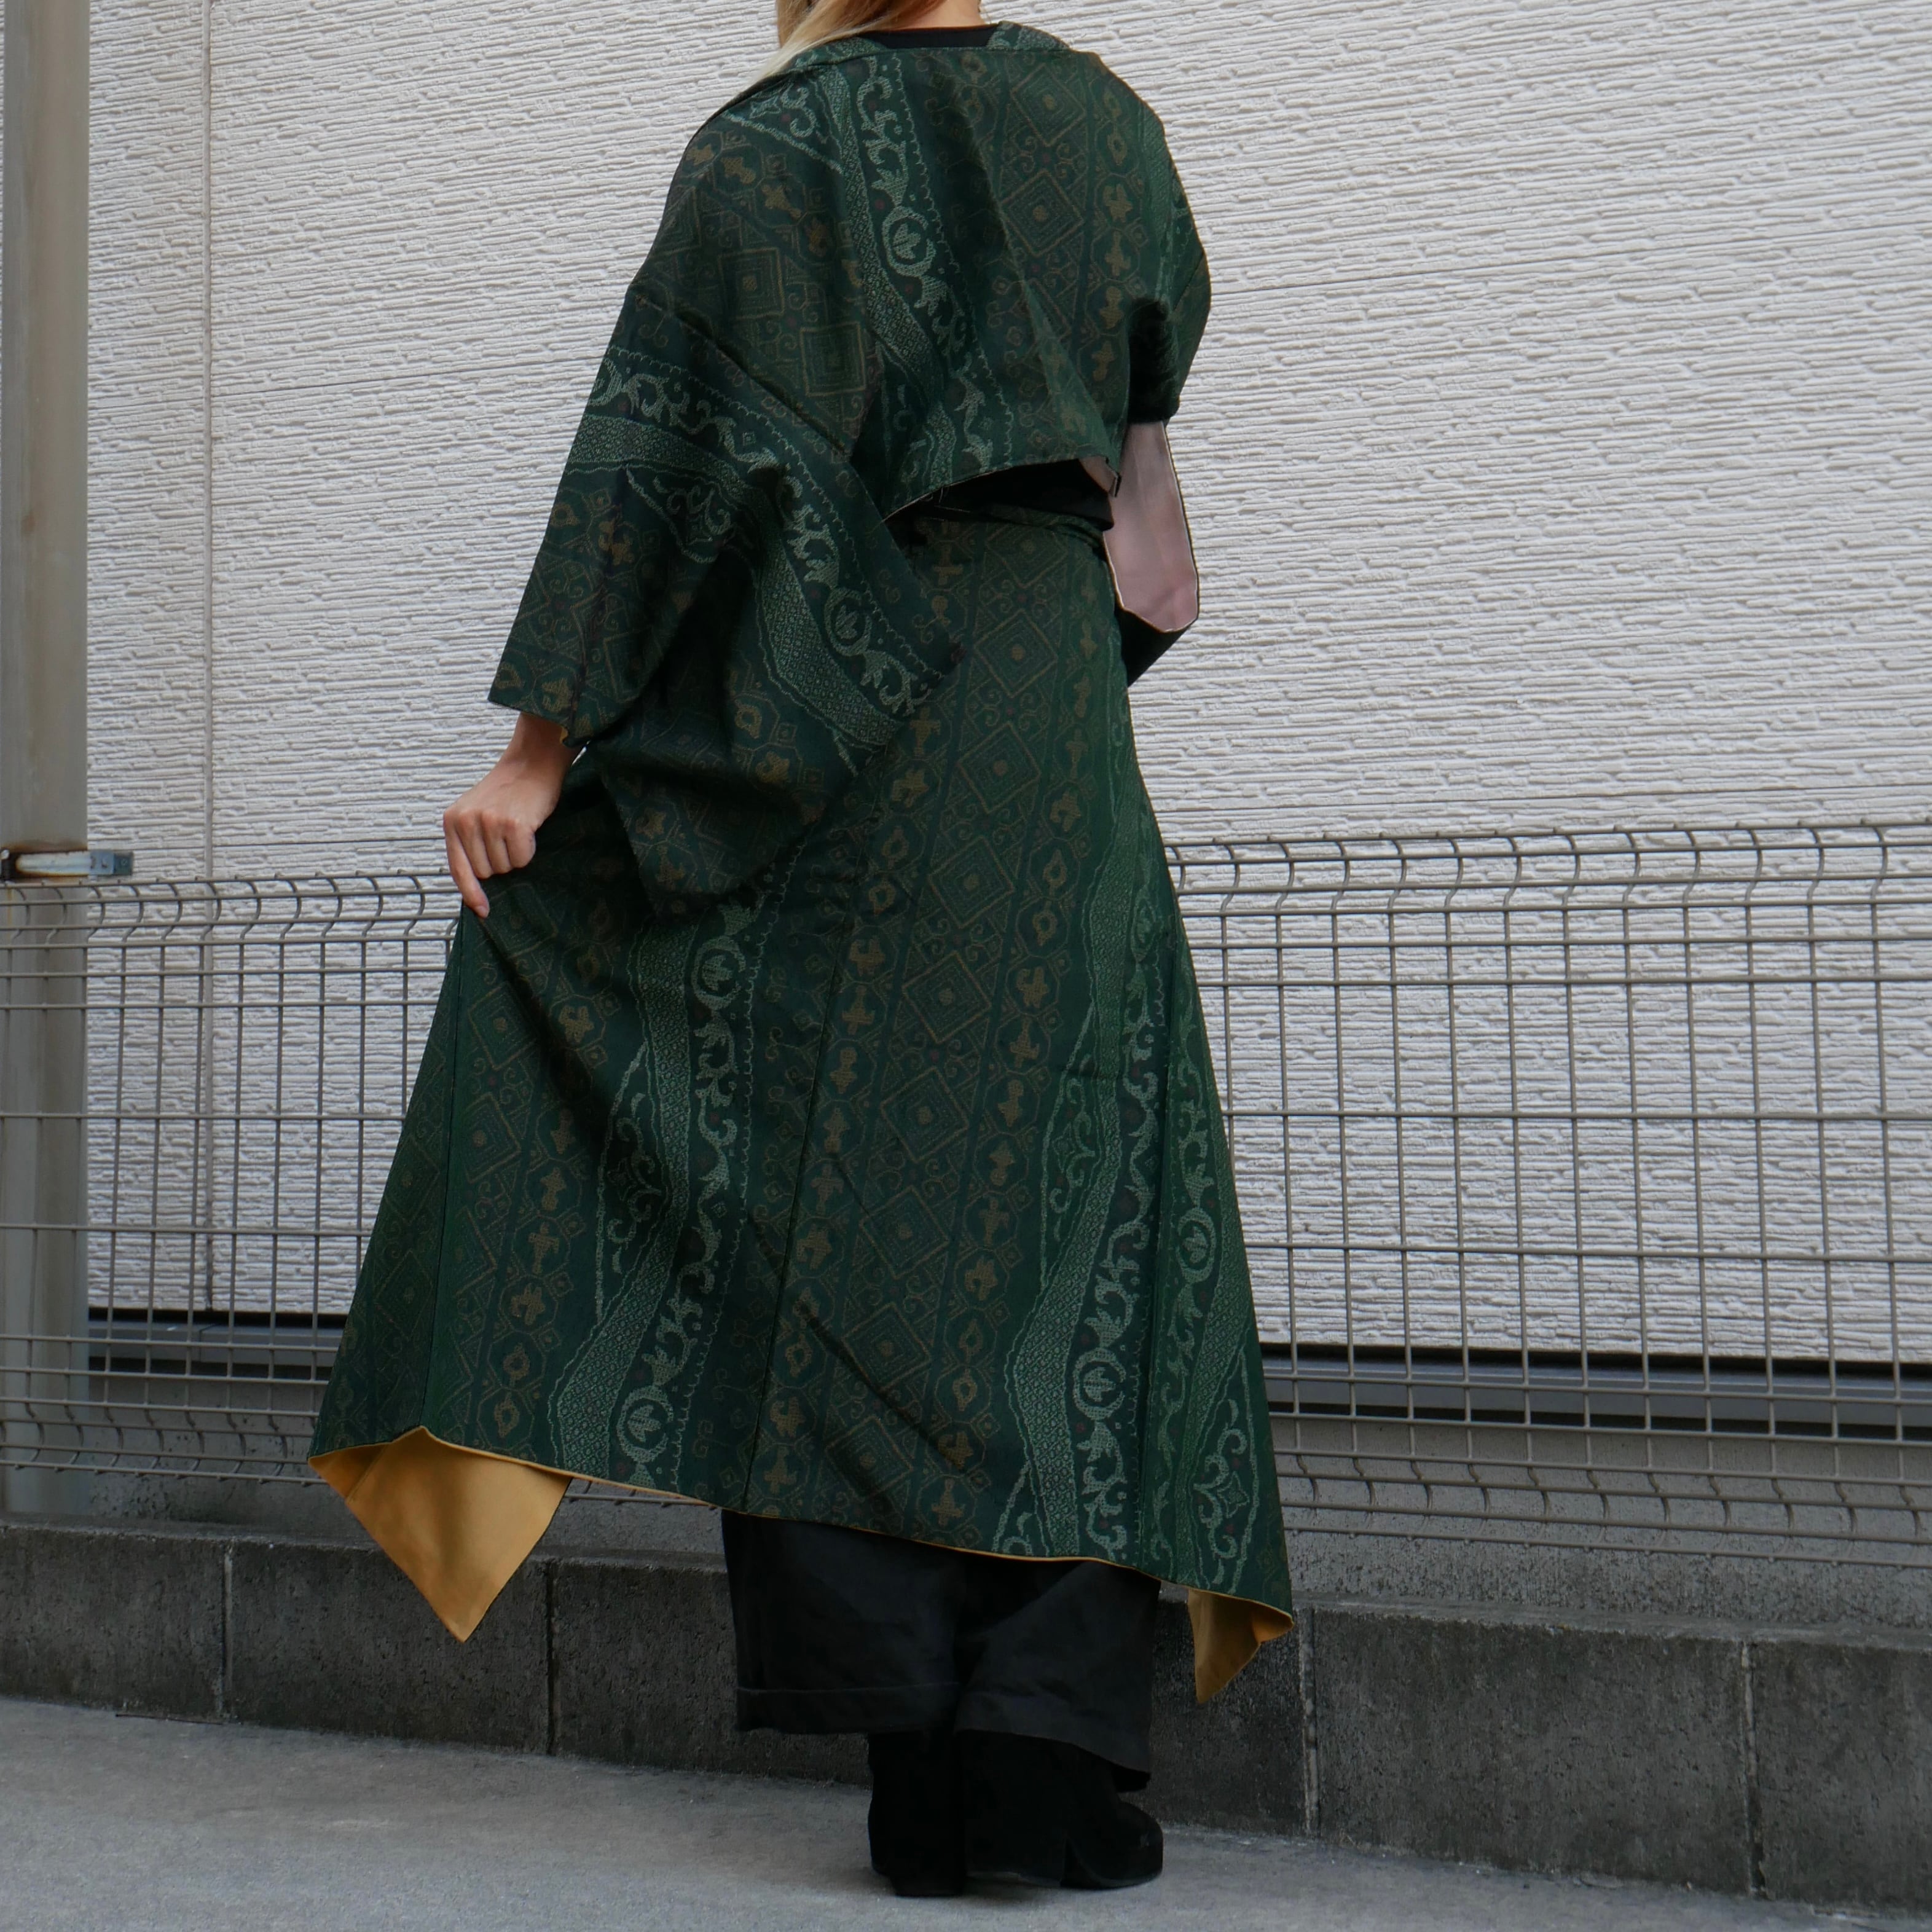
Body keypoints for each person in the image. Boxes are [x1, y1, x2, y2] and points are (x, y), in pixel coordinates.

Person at [310, 0, 1292, 1897]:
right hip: (1048, 728)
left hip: (835, 736)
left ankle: (915, 1767)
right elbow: (1157, 546)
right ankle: (1040, 1763)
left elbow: (660, 460)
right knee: (1076, 1209)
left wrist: (541, 760)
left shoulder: (773, 144)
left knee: (816, 1201)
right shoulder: (1112, 134)